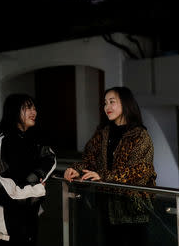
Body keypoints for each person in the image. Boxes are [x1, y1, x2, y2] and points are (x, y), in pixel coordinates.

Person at [64, 86, 156, 246]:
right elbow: (89, 159)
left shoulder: (140, 135)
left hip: (132, 210)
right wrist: (76, 168)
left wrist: (104, 176)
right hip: (107, 208)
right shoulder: (103, 133)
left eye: (112, 102)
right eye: (105, 103)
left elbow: (139, 172)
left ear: (126, 104)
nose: (107, 107)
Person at [0, 93, 56, 245]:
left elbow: (49, 158)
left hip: (27, 215)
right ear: (14, 111)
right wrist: (34, 188)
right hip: (4, 224)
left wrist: (34, 180)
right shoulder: (2, 141)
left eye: (34, 108)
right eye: (27, 108)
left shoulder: (32, 139)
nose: (34, 112)